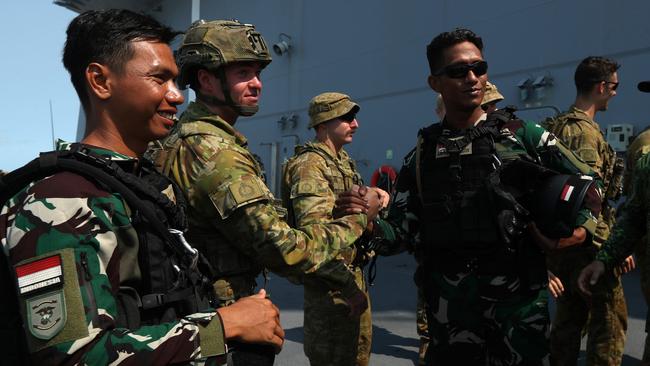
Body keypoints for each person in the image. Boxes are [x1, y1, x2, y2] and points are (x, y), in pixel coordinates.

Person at [0, 9, 284, 365]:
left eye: (176, 81)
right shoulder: (59, 202)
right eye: (159, 78)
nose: (177, 95)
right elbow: (75, 356)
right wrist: (223, 327)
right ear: (100, 81)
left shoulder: (142, 184)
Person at [360, 28, 602, 365]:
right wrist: (366, 220)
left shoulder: (524, 137)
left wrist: (579, 231)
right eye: (458, 71)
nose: (473, 78)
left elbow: (590, 184)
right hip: (450, 318)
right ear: (435, 83)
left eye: (479, 67)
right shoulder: (421, 157)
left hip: (519, 314)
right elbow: (399, 234)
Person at [148, 20, 379, 365]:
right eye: (243, 73)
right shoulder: (214, 153)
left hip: (201, 319)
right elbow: (284, 250)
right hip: (223, 328)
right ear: (206, 79)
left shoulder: (183, 140)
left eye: (257, 73)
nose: (257, 84)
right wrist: (361, 218)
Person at [282, 92, 387, 366]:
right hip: (330, 287)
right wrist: (348, 289)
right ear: (323, 124)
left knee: (357, 356)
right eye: (347, 118)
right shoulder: (310, 166)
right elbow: (314, 240)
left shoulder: (342, 163)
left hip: (351, 277)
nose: (356, 124)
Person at [542, 56, 629, 366]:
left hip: (566, 247)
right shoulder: (584, 134)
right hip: (588, 249)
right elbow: (588, 201)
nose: (616, 93)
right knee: (609, 324)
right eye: (614, 86)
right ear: (601, 87)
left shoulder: (558, 125)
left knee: (568, 321)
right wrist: (610, 251)